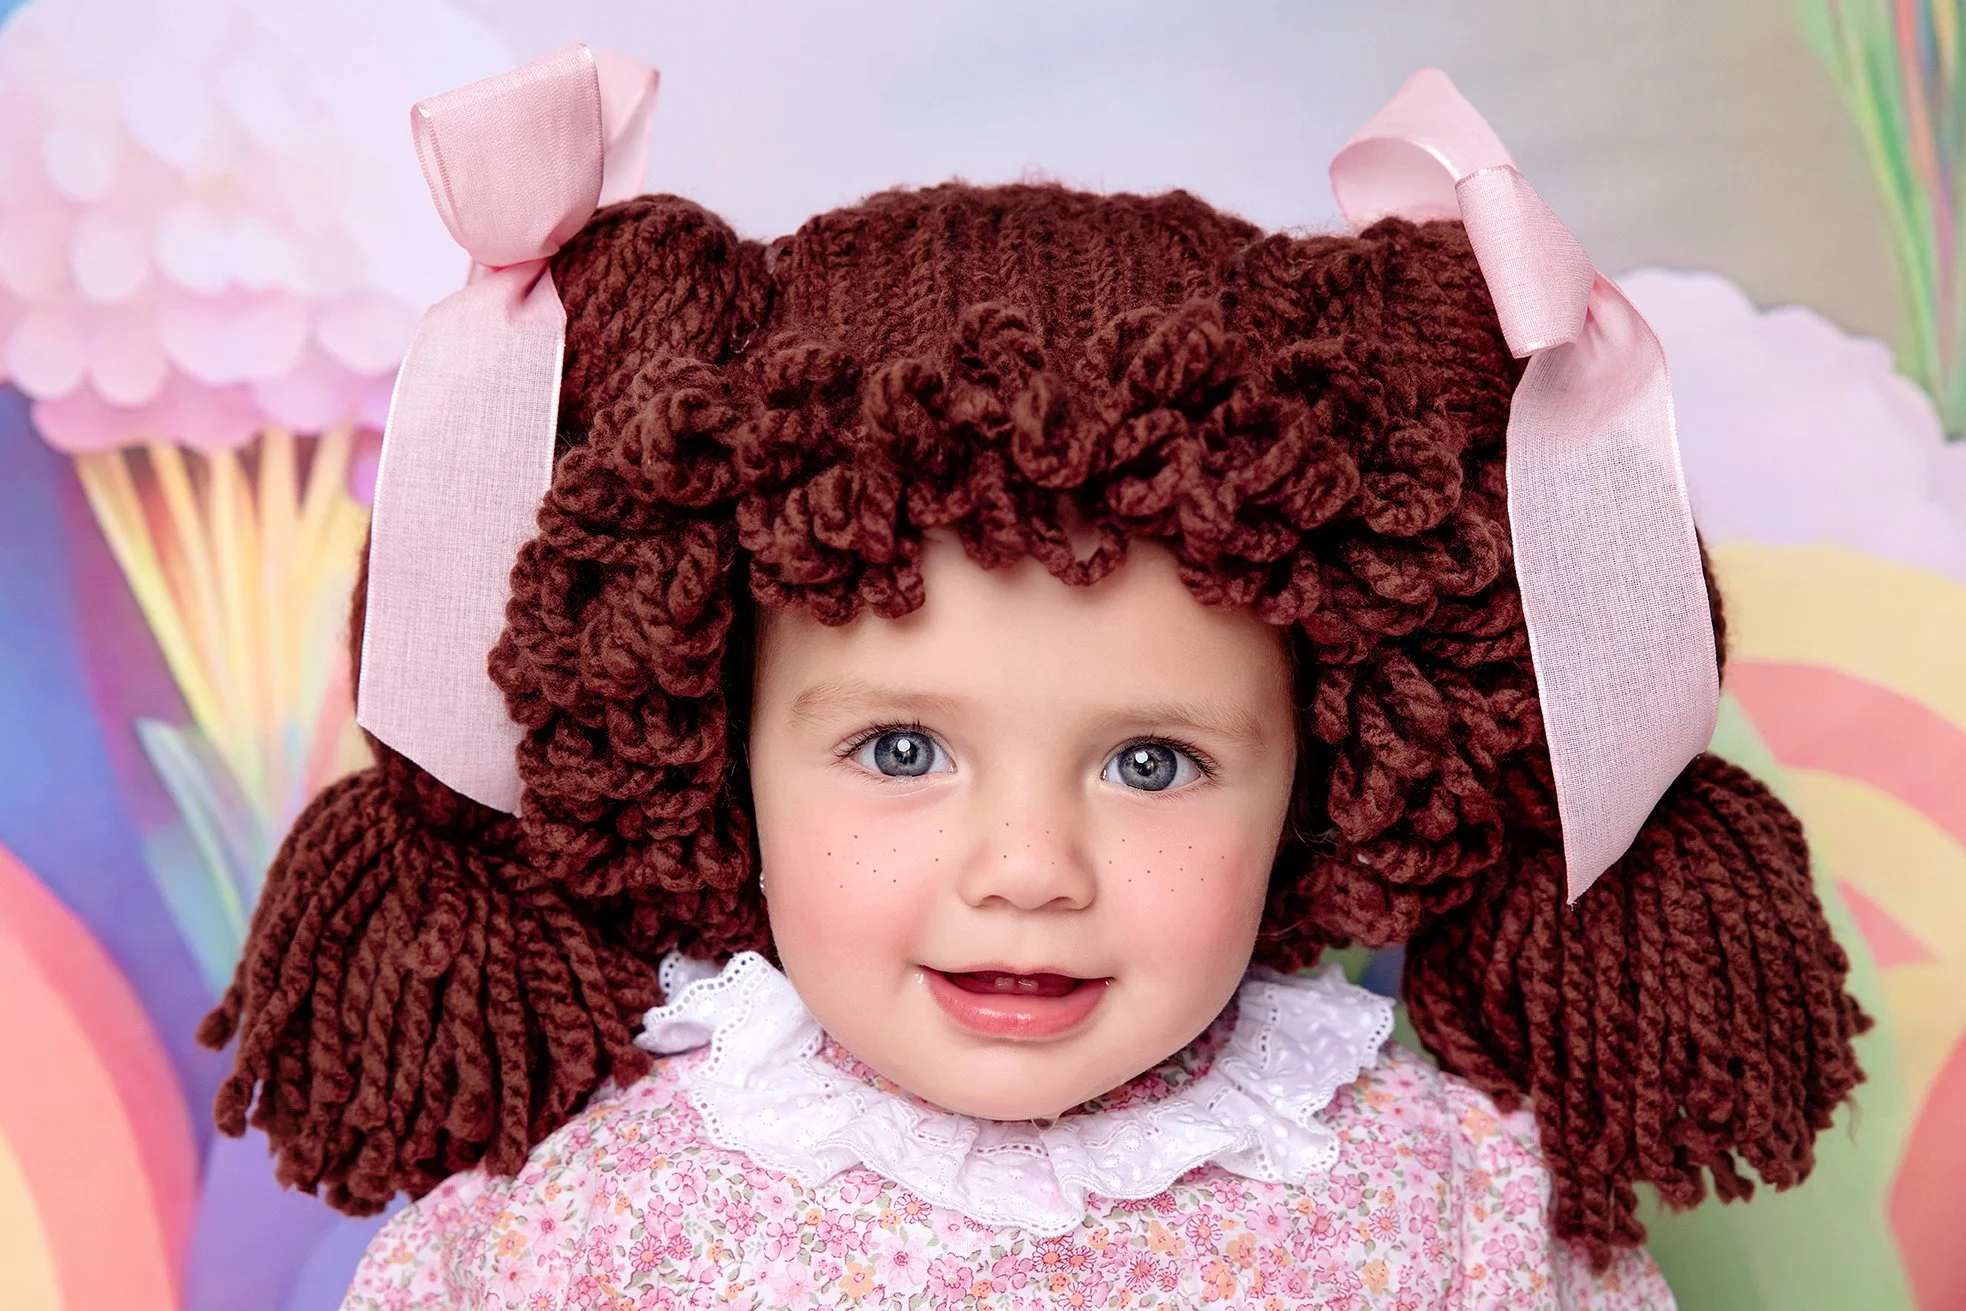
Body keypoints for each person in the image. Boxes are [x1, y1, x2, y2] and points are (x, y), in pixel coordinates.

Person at [197, 49, 1870, 1310]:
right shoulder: (576, 1229)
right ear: (719, 758)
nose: (1026, 867)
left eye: (1152, 762)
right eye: (899, 747)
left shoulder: (1448, 1216)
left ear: (1326, 771)